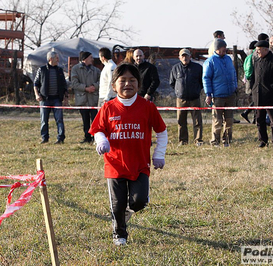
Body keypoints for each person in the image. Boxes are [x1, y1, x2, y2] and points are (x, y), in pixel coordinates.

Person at [89, 63, 167, 246]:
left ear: (139, 84)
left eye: (132, 80)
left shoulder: (147, 107)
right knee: (117, 203)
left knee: (139, 201)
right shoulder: (108, 108)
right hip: (114, 164)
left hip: (140, 164)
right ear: (114, 85)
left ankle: (122, 216)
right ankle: (119, 234)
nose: (127, 84)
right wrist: (101, 141)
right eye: (122, 80)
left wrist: (159, 154)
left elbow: (162, 131)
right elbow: (97, 130)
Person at [203, 39, 237, 147]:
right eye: (222, 49)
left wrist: (235, 86)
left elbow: (234, 74)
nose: (224, 51)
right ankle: (215, 140)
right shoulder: (210, 61)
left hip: (230, 94)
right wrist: (208, 94)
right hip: (217, 96)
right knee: (217, 120)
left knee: (229, 120)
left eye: (225, 49)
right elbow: (206, 78)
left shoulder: (228, 59)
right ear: (217, 49)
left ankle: (227, 140)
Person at [169, 48, 203, 146]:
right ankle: (183, 141)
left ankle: (198, 140)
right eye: (183, 56)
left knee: (197, 121)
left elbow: (202, 82)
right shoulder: (175, 68)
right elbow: (172, 83)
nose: (185, 58)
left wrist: (196, 91)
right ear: (179, 58)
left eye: (186, 56)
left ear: (190, 56)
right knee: (181, 121)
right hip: (181, 99)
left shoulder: (197, 68)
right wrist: (179, 92)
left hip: (194, 98)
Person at [34, 51, 67, 144]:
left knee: (59, 119)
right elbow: (35, 84)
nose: (58, 59)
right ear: (51, 59)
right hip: (45, 99)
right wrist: (37, 95)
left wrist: (66, 98)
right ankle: (44, 138)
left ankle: (60, 138)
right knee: (44, 120)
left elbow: (64, 85)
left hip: (57, 99)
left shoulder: (60, 70)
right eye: (57, 57)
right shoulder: (42, 70)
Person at [71, 51, 101, 143]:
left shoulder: (96, 70)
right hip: (82, 99)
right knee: (85, 120)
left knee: (95, 120)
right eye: (90, 57)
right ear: (85, 58)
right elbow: (74, 83)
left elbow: (102, 82)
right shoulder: (75, 69)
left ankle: (95, 138)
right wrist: (85, 88)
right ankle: (87, 137)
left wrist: (94, 86)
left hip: (93, 99)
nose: (92, 59)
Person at [241, 40, 258, 124]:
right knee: (256, 100)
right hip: (252, 81)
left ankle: (249, 114)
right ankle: (248, 113)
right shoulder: (253, 56)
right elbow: (248, 71)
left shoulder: (248, 56)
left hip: (249, 81)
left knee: (255, 100)